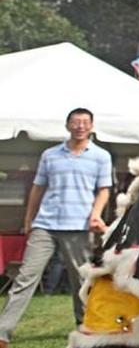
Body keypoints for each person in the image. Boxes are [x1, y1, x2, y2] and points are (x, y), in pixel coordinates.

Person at [0, 108, 112, 348]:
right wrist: (29, 220)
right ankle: (2, 333)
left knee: (81, 282)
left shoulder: (101, 156)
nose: (80, 126)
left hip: (80, 226)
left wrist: (95, 215)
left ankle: (86, 330)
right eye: (75, 122)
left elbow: (104, 190)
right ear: (68, 125)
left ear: (91, 127)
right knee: (25, 277)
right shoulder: (49, 155)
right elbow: (38, 188)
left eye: (85, 122)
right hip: (46, 225)